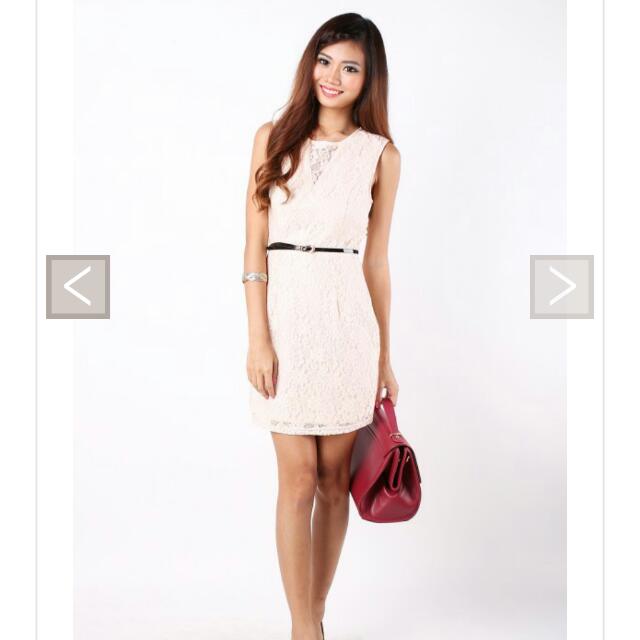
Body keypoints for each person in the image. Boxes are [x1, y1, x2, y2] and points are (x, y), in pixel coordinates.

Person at [242, 12, 401, 640]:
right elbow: (253, 251)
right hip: (285, 327)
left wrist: (384, 358)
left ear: (368, 80)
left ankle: (315, 614)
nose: (333, 76)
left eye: (350, 67)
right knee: (297, 480)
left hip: (347, 329)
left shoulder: (381, 155)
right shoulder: (272, 138)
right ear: (311, 63)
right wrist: (258, 338)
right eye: (326, 60)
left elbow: (377, 262)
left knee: (335, 483)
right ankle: (302, 628)